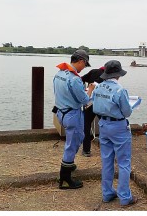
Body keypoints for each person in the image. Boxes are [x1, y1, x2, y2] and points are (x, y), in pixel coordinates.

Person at [92, 60, 138, 207]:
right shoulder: (120, 90)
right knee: (124, 162)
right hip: (118, 127)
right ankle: (124, 197)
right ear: (118, 75)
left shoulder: (98, 88)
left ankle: (107, 193)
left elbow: (95, 105)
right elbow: (127, 112)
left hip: (103, 125)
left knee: (107, 161)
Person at [53, 49, 95, 189]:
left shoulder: (59, 74)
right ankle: (65, 178)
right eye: (85, 64)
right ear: (81, 61)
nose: (84, 68)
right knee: (73, 144)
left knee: (78, 138)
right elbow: (84, 100)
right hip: (72, 115)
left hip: (60, 112)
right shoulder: (75, 79)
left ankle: (68, 164)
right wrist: (90, 89)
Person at [80, 66, 105, 157]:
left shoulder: (93, 71)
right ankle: (105, 147)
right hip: (101, 103)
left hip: (89, 102)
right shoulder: (108, 76)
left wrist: (84, 88)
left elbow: (81, 78)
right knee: (104, 124)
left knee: (86, 125)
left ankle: (86, 150)